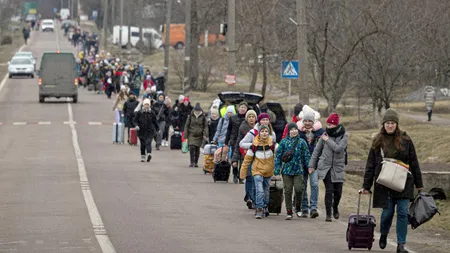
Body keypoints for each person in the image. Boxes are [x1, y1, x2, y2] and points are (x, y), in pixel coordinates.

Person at [361, 109, 423, 253]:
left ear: (397, 124)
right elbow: (370, 164)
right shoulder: (377, 141)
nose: (390, 126)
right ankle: (383, 234)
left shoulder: (406, 140)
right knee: (387, 213)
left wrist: (419, 185)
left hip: (403, 182)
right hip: (384, 183)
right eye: (388, 123)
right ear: (384, 124)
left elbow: (414, 162)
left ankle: (401, 244)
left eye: (393, 123)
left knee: (402, 213)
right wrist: (366, 185)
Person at [309, 113, 348, 222]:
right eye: (328, 124)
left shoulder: (344, 135)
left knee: (338, 192)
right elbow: (316, 151)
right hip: (325, 167)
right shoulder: (324, 135)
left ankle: (335, 207)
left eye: (330, 125)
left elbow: (338, 148)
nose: (328, 127)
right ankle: (328, 214)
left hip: (338, 167)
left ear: (336, 125)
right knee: (329, 190)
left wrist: (327, 140)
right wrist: (312, 165)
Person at [239, 113, 277, 211]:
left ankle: (263, 205)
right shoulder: (253, 132)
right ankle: (257, 204)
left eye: (266, 120)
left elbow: (276, 150)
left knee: (265, 187)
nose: (265, 122)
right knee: (256, 183)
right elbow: (241, 144)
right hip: (255, 159)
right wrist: (254, 146)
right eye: (262, 120)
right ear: (259, 121)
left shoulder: (272, 134)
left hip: (268, 163)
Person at [274, 122, 310, 220]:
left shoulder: (302, 142)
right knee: (288, 191)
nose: (294, 131)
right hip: (286, 171)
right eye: (291, 129)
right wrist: (276, 171)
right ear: (288, 131)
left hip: (298, 170)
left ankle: (298, 207)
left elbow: (306, 156)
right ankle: (289, 211)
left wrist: (310, 167)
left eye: (295, 129)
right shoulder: (283, 142)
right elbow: (277, 157)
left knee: (299, 189)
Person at [299, 110, 324, 218]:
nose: (308, 123)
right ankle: (304, 208)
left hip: (315, 164)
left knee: (314, 184)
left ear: (313, 122)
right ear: (303, 121)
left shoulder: (320, 133)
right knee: (303, 186)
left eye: (310, 121)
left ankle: (313, 208)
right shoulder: (299, 133)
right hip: (302, 163)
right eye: (306, 121)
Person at [231, 109, 257, 185]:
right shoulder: (242, 128)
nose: (251, 118)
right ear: (246, 118)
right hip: (245, 154)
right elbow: (238, 144)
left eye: (253, 116)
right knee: (248, 176)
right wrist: (235, 159)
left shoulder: (259, 129)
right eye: (249, 117)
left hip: (257, 155)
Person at [184, 103, 209, 167]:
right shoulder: (191, 116)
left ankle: (196, 162)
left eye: (198, 111)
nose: (197, 112)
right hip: (191, 134)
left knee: (197, 148)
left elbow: (205, 126)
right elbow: (187, 125)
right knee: (192, 147)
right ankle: (192, 162)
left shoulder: (203, 116)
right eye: (196, 111)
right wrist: (185, 135)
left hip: (199, 135)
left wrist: (206, 133)